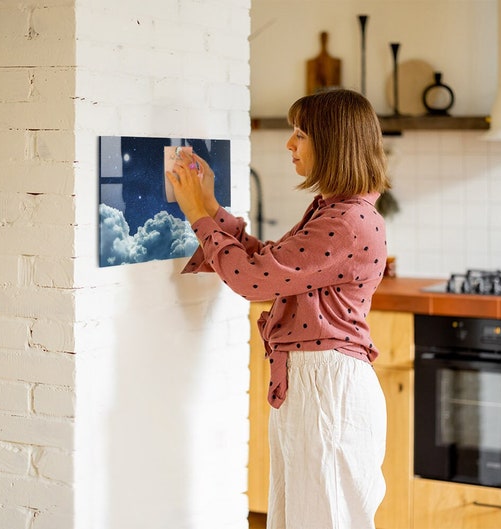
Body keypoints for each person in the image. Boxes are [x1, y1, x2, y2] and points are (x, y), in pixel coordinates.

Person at [166, 89, 390, 529]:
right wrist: (211, 208)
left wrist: (198, 215)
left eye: (300, 134)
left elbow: (253, 281)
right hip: (315, 385)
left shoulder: (346, 221)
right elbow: (270, 264)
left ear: (333, 143)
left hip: (327, 390)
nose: (290, 144)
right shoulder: (335, 211)